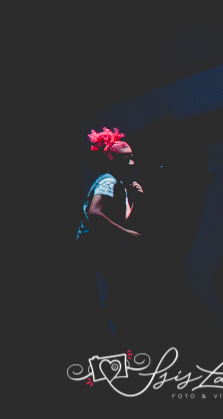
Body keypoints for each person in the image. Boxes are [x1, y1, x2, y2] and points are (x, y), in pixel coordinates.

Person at [77, 127, 144, 343]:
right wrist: (125, 233)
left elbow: (124, 219)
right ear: (112, 159)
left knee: (124, 282)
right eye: (126, 159)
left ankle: (108, 327)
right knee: (125, 280)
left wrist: (135, 200)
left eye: (132, 158)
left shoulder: (120, 186)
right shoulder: (108, 181)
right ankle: (101, 327)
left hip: (101, 243)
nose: (132, 163)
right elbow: (94, 212)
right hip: (92, 243)